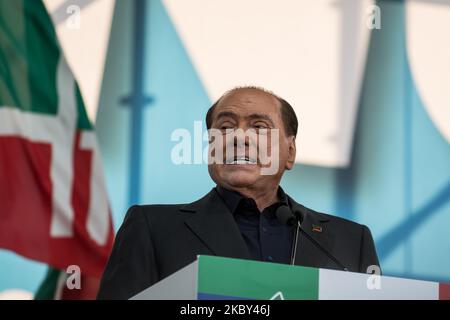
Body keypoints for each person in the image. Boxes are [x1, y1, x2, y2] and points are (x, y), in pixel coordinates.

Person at [97, 87, 380, 299]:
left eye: (259, 127)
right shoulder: (152, 228)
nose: (238, 137)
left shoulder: (351, 241)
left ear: (290, 152)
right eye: (225, 127)